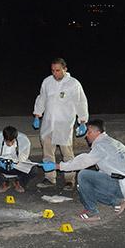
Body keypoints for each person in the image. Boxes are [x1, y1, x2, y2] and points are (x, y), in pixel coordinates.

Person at [41, 119, 125, 222]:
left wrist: (58, 166)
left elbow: (83, 161)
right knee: (83, 188)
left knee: (84, 176)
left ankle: (92, 212)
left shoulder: (102, 145)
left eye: (89, 132)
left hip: (122, 183)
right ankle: (117, 201)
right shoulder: (110, 142)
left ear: (98, 132)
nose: (86, 135)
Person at [32, 57, 89, 191]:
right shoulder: (47, 82)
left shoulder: (73, 84)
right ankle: (49, 178)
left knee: (67, 154)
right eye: (53, 70)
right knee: (47, 153)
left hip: (65, 124)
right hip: (48, 124)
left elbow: (81, 102)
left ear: (65, 69)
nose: (55, 73)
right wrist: (37, 115)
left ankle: (69, 180)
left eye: (58, 70)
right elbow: (42, 98)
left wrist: (82, 121)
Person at [0, 126, 36, 193]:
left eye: (12, 141)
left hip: (16, 166)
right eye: (7, 141)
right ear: (3, 137)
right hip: (1, 165)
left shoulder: (24, 139)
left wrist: (15, 162)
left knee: (34, 170)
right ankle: (4, 182)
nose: (10, 144)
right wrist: (1, 162)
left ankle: (19, 182)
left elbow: (24, 156)